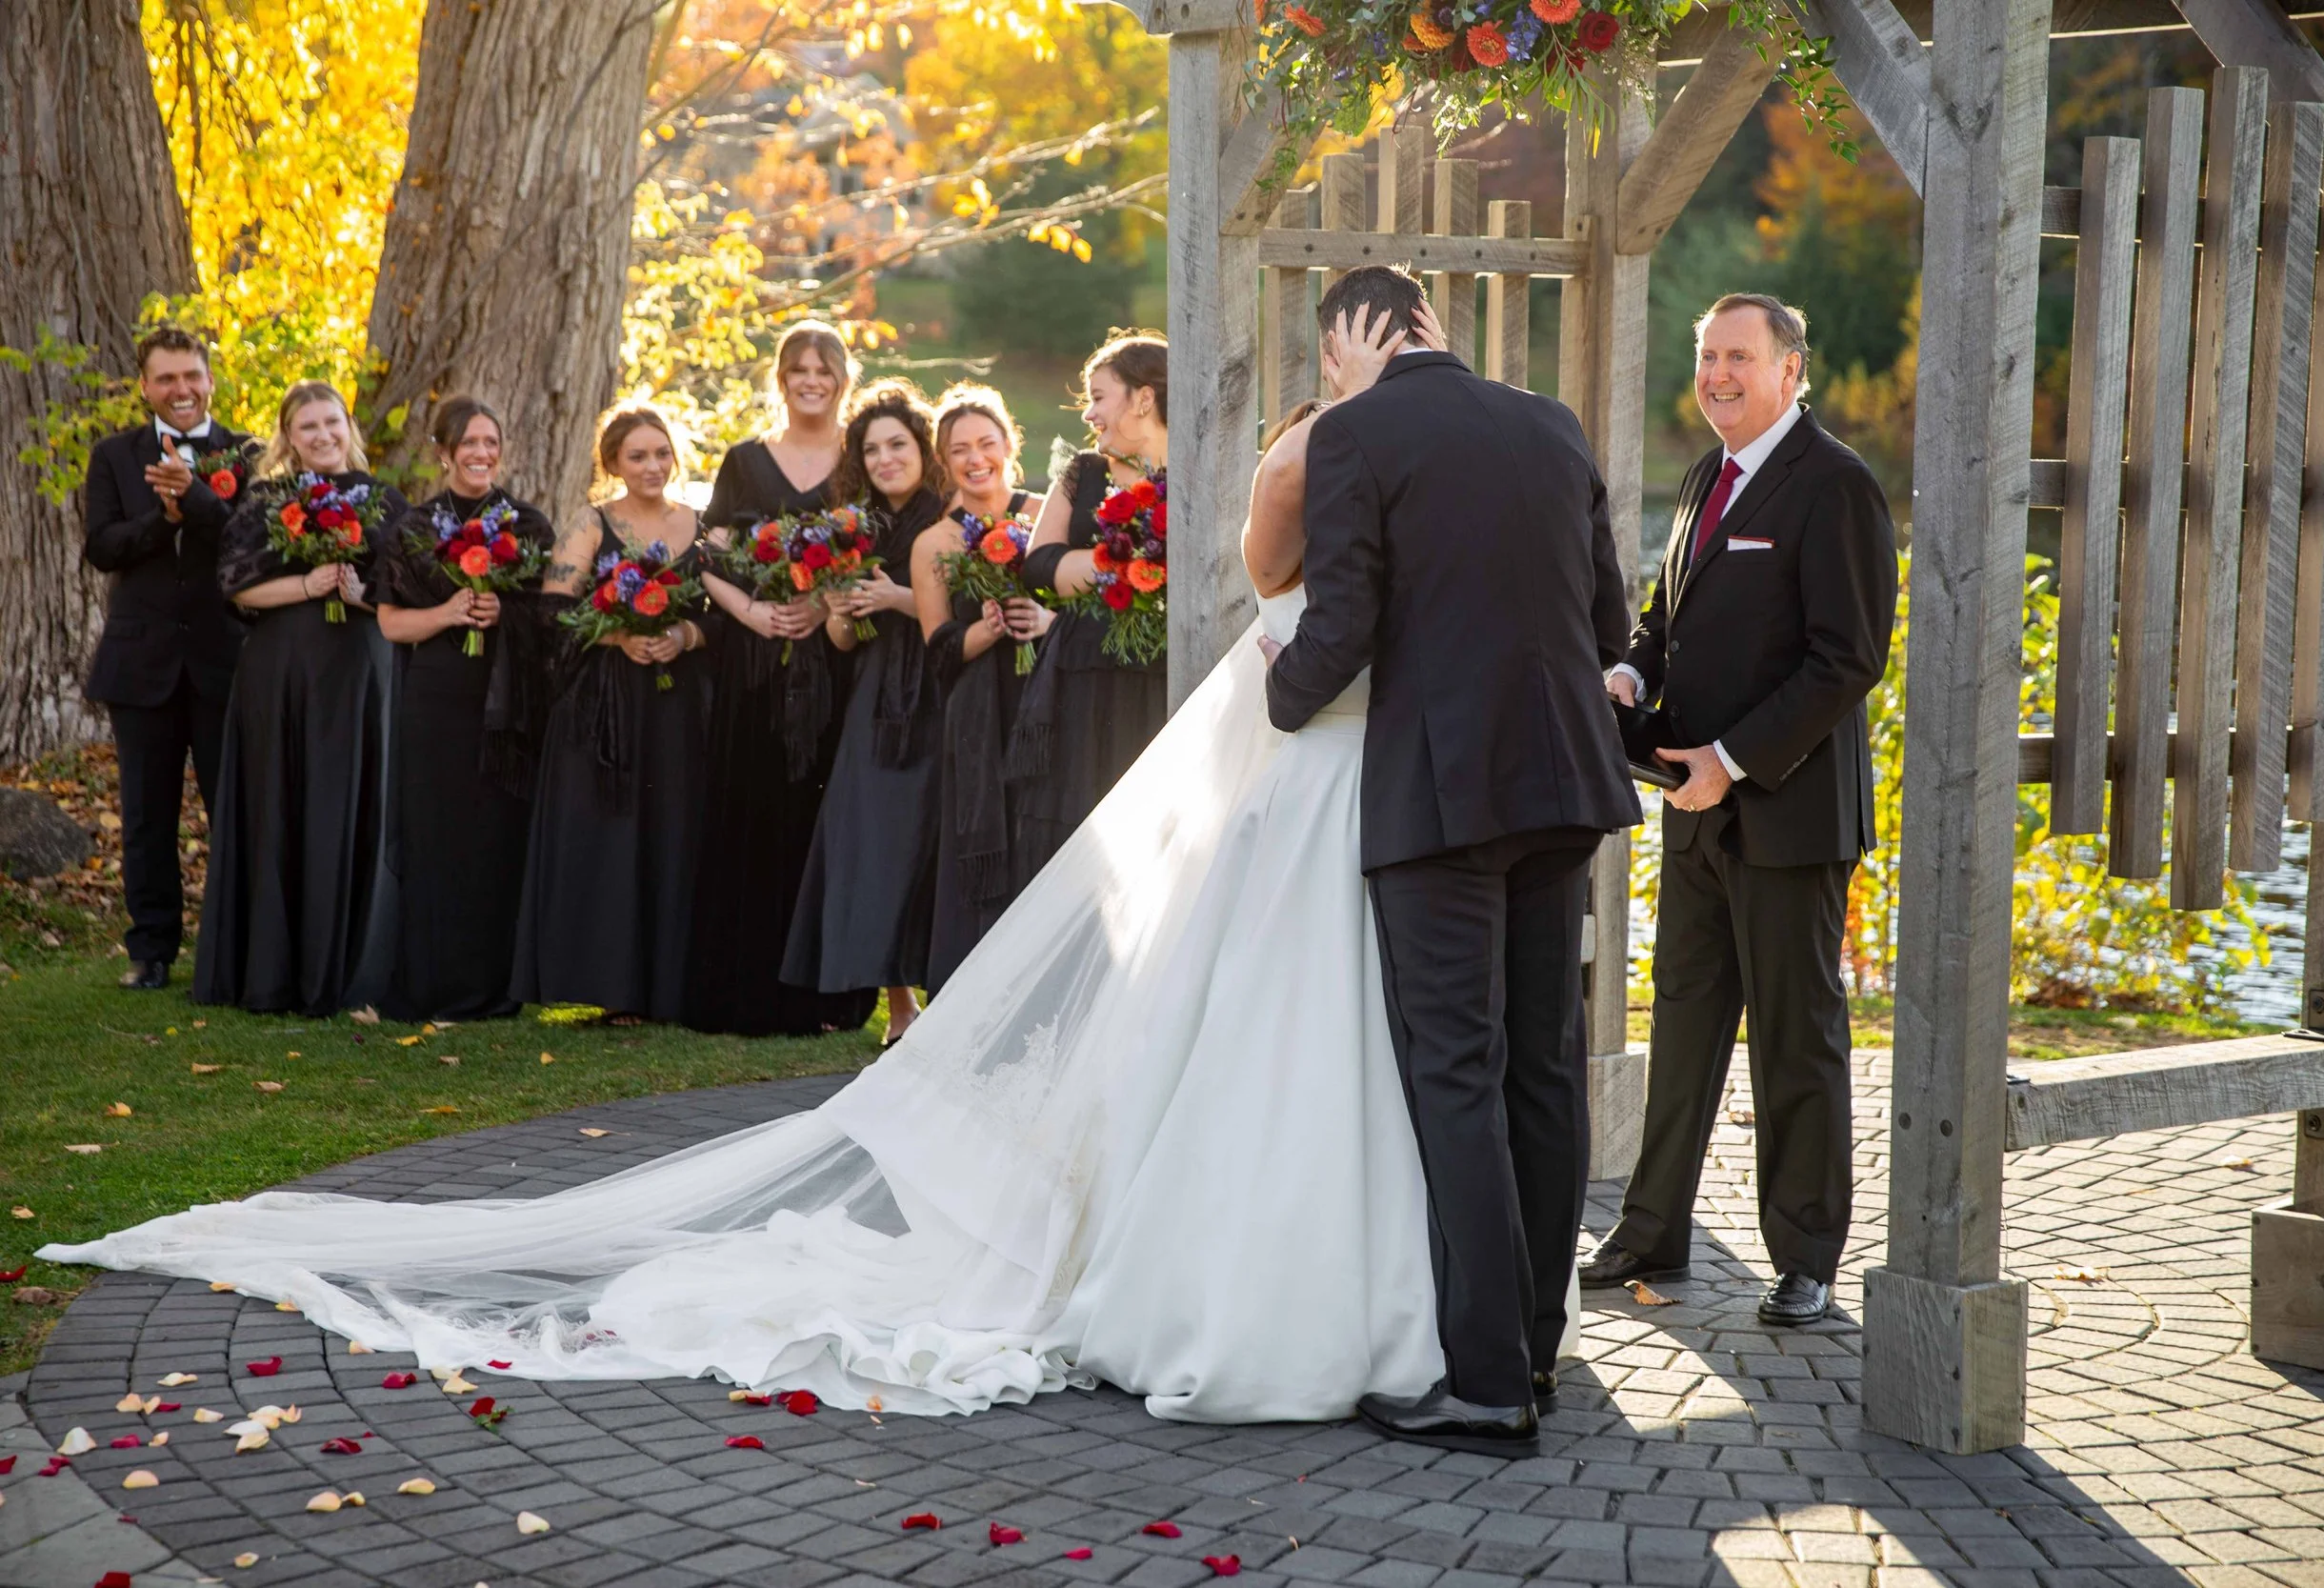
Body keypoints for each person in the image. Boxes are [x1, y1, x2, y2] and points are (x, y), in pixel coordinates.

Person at [38, 308, 1477, 1432]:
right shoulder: (1150, 482)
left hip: (1275, 761)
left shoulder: (1284, 469)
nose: (1085, 419)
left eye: (1102, 401)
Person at [1264, 265, 1641, 1457]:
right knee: (1543, 1065)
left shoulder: (1355, 435)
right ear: (1437, 326)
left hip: (1442, 796)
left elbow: (1344, 624)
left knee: (1456, 1075)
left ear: (1348, 344)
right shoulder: (1549, 422)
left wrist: (1268, 703)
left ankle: (1484, 1384)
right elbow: (1608, 628)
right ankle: (1534, 1340)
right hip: (1566, 784)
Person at [1577, 292, 1896, 1329]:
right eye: (1707, 354)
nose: (1716, 373)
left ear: (1790, 369)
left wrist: (1732, 758)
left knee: (1796, 1040)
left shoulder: (1836, 486)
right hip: (1689, 807)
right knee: (1681, 1021)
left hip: (1788, 814)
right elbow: (1665, 615)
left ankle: (1805, 1253)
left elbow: (1847, 658)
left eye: (1738, 357)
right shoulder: (1704, 473)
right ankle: (1650, 1230)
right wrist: (1630, 671)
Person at [684, 324, 878, 1037]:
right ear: (781, 377)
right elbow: (707, 556)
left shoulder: (860, 460)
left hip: (836, 657)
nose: (810, 379)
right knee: (751, 808)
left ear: (842, 378)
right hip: (754, 662)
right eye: (797, 368)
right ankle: (746, 992)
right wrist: (755, 612)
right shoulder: (744, 460)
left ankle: (829, 997)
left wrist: (827, 601)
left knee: (823, 818)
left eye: (823, 368)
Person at [192, 381, 401, 1015]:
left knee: (356, 800)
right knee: (282, 800)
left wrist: (358, 590)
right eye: (306, 426)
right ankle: (276, 971)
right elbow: (237, 589)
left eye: (330, 423)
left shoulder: (385, 500)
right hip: (281, 674)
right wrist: (309, 582)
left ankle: (352, 970)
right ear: (289, 436)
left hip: (361, 672)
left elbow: (408, 591)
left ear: (348, 426)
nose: (322, 435)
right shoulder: (265, 501)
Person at [510, 408, 711, 1024]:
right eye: (637, 456)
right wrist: (615, 638)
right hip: (607, 707)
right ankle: (617, 988)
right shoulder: (591, 525)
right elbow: (550, 613)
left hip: (677, 707)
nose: (652, 466)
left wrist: (685, 633)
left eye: (661, 453)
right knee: (614, 838)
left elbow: (728, 613)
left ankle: (674, 986)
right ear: (613, 463)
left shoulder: (702, 527)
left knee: (674, 831)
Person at [371, 397, 556, 1022]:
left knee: (497, 836)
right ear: (443, 451)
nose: (481, 453)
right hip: (437, 698)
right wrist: (451, 612)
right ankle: (435, 985)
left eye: (490, 442)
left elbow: (553, 614)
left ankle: (498, 988)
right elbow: (392, 622)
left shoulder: (528, 526)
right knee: (439, 836)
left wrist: (506, 612)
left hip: (506, 702)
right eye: (468, 443)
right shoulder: (415, 529)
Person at [81, 326, 251, 992]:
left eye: (191, 376)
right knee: (147, 814)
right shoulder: (114, 456)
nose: (180, 390)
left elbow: (249, 535)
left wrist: (200, 498)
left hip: (223, 657)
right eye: (166, 379)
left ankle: (233, 943)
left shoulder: (248, 451)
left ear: (209, 379)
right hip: (140, 660)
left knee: (230, 805)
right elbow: (102, 544)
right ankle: (151, 948)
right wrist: (166, 519)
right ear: (145, 386)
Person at [780, 380, 949, 1042]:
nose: (884, 459)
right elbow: (842, 642)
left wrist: (896, 598)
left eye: (897, 444)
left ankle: (948, 990)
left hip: (940, 688)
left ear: (922, 448)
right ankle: (898, 1002)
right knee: (874, 843)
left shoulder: (950, 513)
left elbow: (957, 612)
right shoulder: (855, 528)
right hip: (877, 696)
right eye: (871, 449)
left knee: (933, 842)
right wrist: (841, 611)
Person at [1009, 333, 1169, 878]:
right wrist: (1127, 560)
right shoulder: (1084, 472)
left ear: (1143, 399)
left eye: (1099, 396)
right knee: (1078, 826)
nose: (1089, 411)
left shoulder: (1202, 470)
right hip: (1081, 672)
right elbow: (1038, 566)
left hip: (1166, 672)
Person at [910, 385, 1049, 992]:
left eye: (987, 443)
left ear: (1009, 445)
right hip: (979, 713)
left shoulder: (1044, 514)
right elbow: (939, 650)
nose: (975, 458)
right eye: (960, 448)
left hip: (1047, 701)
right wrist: (986, 632)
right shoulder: (934, 543)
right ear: (944, 460)